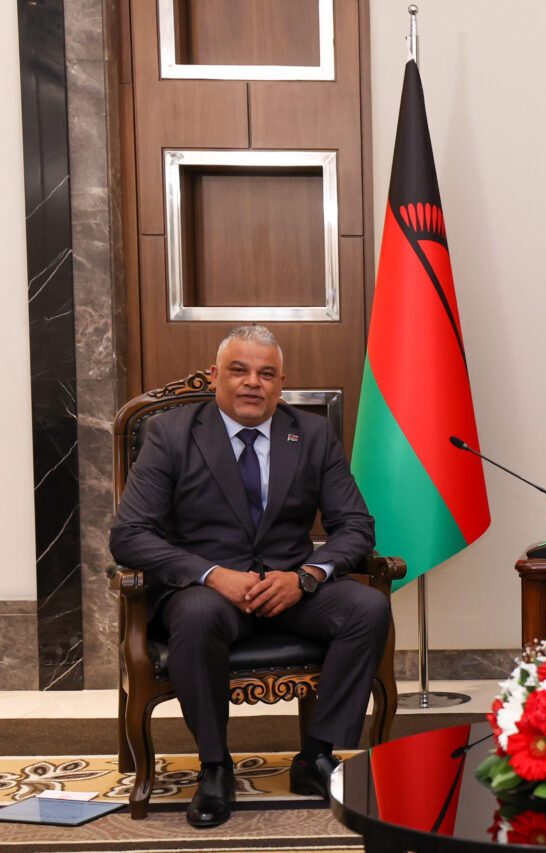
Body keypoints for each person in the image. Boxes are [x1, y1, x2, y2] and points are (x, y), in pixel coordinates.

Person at [109, 325, 391, 828]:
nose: (252, 383)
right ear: (215, 375)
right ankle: (214, 767)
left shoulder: (311, 434)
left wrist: (306, 576)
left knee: (368, 607)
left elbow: (355, 525)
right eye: (239, 370)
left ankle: (316, 755)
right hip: (206, 592)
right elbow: (129, 535)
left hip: (291, 590)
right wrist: (212, 574)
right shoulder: (171, 434)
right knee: (196, 616)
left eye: (266, 373)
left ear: (282, 382)